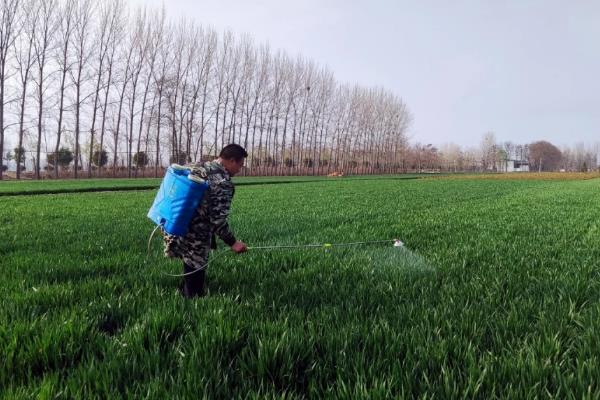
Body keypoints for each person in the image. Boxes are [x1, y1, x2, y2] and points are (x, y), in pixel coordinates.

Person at [163, 144, 248, 298]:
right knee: (196, 265)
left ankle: (184, 290)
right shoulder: (222, 182)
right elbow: (218, 220)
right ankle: (191, 301)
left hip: (177, 223)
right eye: (240, 165)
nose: (239, 170)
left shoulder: (198, 166)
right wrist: (233, 243)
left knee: (189, 260)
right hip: (197, 231)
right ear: (231, 160)